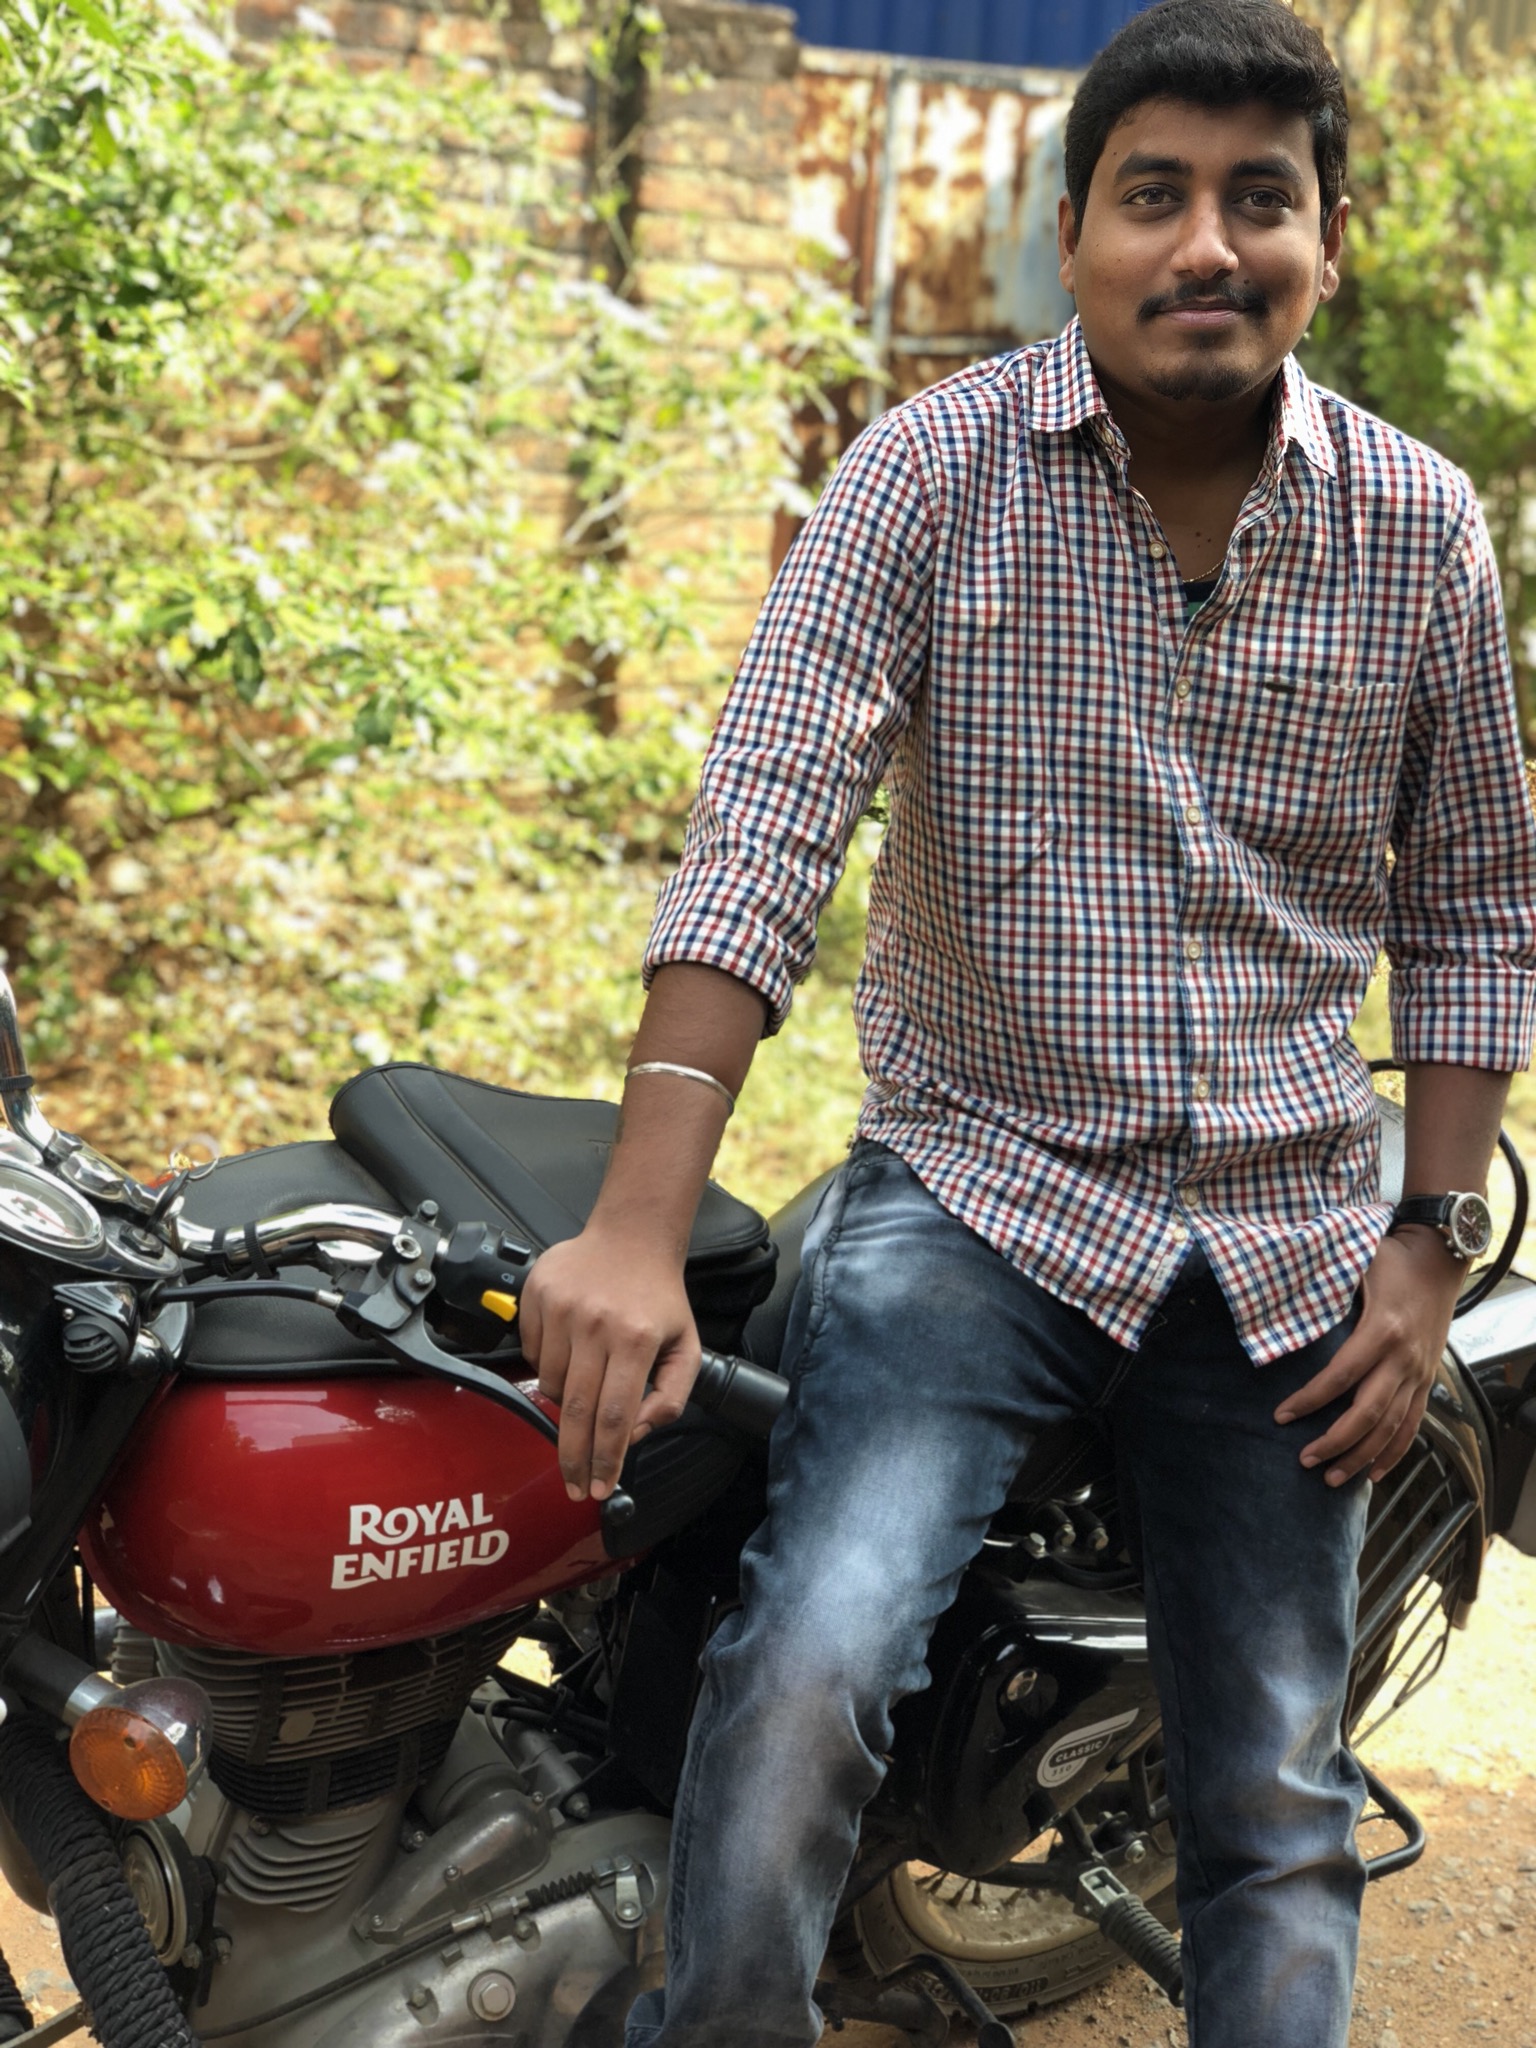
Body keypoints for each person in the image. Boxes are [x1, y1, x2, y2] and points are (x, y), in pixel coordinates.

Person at [520, 2, 1536, 2042]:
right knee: (806, 1669)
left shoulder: (1419, 527)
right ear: (1071, 234)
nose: (1206, 246)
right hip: (976, 1198)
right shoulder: (931, 471)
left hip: (1286, 1240)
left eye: (1260, 198)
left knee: (1275, 1795)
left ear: (1328, 240)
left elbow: (1474, 908)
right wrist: (639, 1220)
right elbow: (766, 829)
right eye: (1155, 195)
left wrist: (1428, 1248)